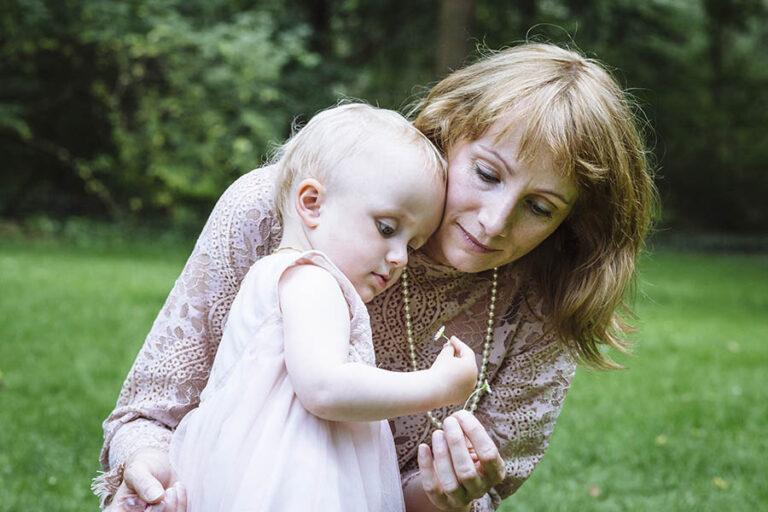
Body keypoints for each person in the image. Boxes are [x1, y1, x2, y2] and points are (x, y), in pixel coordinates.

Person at [95, 43, 656, 512]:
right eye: (486, 173)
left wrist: (445, 496)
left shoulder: (545, 297)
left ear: (569, 221)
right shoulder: (280, 209)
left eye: (540, 207)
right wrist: (149, 466)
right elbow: (149, 410)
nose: (495, 220)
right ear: (447, 130)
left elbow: (469, 485)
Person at [167, 103, 481, 512]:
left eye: (412, 243)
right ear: (312, 203)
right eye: (387, 228)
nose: (401, 256)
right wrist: (438, 386)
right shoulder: (313, 280)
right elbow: (325, 387)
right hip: (288, 486)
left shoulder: (281, 275)